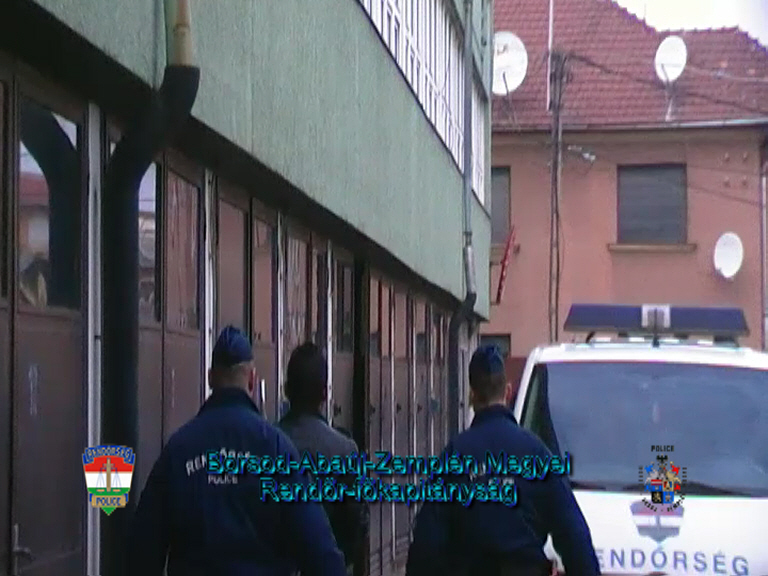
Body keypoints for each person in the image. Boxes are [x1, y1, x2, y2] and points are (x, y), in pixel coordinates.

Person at [127, 326, 346, 576]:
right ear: (252, 379)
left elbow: (142, 552)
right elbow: (321, 553)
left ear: (210, 378)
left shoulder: (178, 451)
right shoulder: (277, 449)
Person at [405, 344, 601, 576]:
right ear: (507, 392)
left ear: (472, 395)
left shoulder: (455, 455)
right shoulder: (537, 454)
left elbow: (427, 542)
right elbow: (573, 535)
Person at [279, 342, 368, 574]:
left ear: (286, 390)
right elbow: (357, 524)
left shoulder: (265, 446)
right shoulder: (345, 450)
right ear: (325, 393)